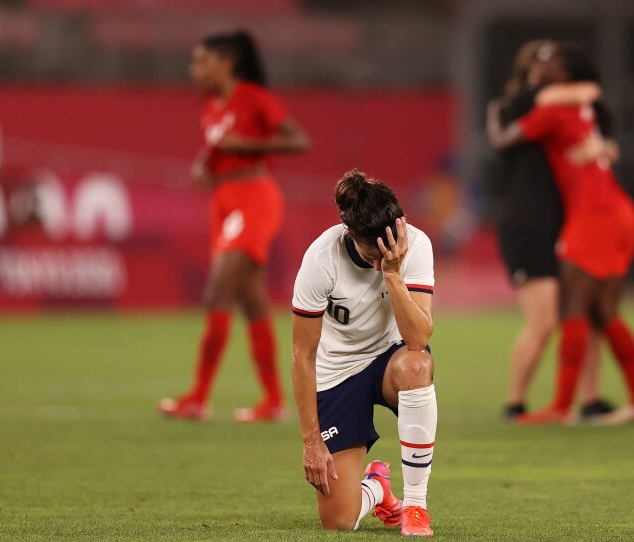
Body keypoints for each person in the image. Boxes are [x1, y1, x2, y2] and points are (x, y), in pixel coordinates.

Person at [487, 43, 634, 425]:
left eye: (552, 62)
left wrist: (494, 119)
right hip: (618, 211)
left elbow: (503, 141)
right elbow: (591, 96)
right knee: (604, 313)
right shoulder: (582, 108)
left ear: (565, 77)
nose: (544, 67)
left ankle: (561, 408)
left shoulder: (549, 111)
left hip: (594, 215)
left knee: (573, 312)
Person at [159, 30, 311, 422]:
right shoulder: (210, 105)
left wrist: (248, 146)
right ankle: (275, 401)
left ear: (226, 62)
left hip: (254, 195)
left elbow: (299, 140)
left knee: (216, 292)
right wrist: (202, 165)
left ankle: (198, 397)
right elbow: (215, 149)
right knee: (252, 300)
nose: (194, 70)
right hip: (224, 201)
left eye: (201, 61)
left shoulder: (254, 98)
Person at [292, 170, 437, 535]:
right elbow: (303, 356)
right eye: (371, 255)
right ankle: (378, 488)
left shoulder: (416, 246)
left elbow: (418, 338)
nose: (378, 262)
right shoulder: (320, 260)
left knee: (417, 366)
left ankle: (415, 507)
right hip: (337, 372)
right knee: (339, 521)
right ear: (350, 236)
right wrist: (311, 442)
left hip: (390, 359)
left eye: (385, 254)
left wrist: (392, 273)